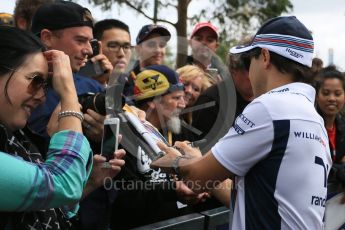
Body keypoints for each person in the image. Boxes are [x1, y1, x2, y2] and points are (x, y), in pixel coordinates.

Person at [152, 16, 332, 229]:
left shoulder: (270, 107)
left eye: (249, 61)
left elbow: (197, 180)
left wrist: (175, 161)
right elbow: (258, 195)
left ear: (264, 57)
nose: (249, 71)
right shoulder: (313, 117)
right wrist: (196, 160)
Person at [0, 25, 93, 229]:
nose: (42, 97)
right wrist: (68, 95)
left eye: (46, 86)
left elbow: (55, 205)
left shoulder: (15, 140)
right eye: (36, 81)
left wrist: (92, 182)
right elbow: (64, 185)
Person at [314, 66, 345, 199]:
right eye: (326, 93)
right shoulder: (308, 127)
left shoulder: (342, 126)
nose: (332, 98)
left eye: (337, 94)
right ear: (316, 95)